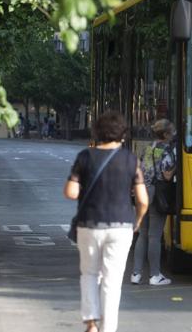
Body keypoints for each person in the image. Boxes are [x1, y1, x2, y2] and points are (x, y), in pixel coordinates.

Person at [63, 111, 148, 332]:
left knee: (90, 274)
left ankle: (91, 323)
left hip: (89, 224)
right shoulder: (131, 160)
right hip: (121, 226)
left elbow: (71, 192)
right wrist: (137, 221)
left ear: (97, 132)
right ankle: (108, 329)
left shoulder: (84, 157)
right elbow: (143, 200)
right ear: (122, 134)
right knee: (112, 282)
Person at [131, 118, 176, 286]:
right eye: (171, 132)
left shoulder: (147, 148)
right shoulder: (167, 151)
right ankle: (155, 275)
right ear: (165, 134)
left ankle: (136, 273)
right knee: (155, 236)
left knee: (142, 234)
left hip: (142, 192)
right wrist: (176, 166)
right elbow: (167, 175)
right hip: (157, 194)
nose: (173, 135)